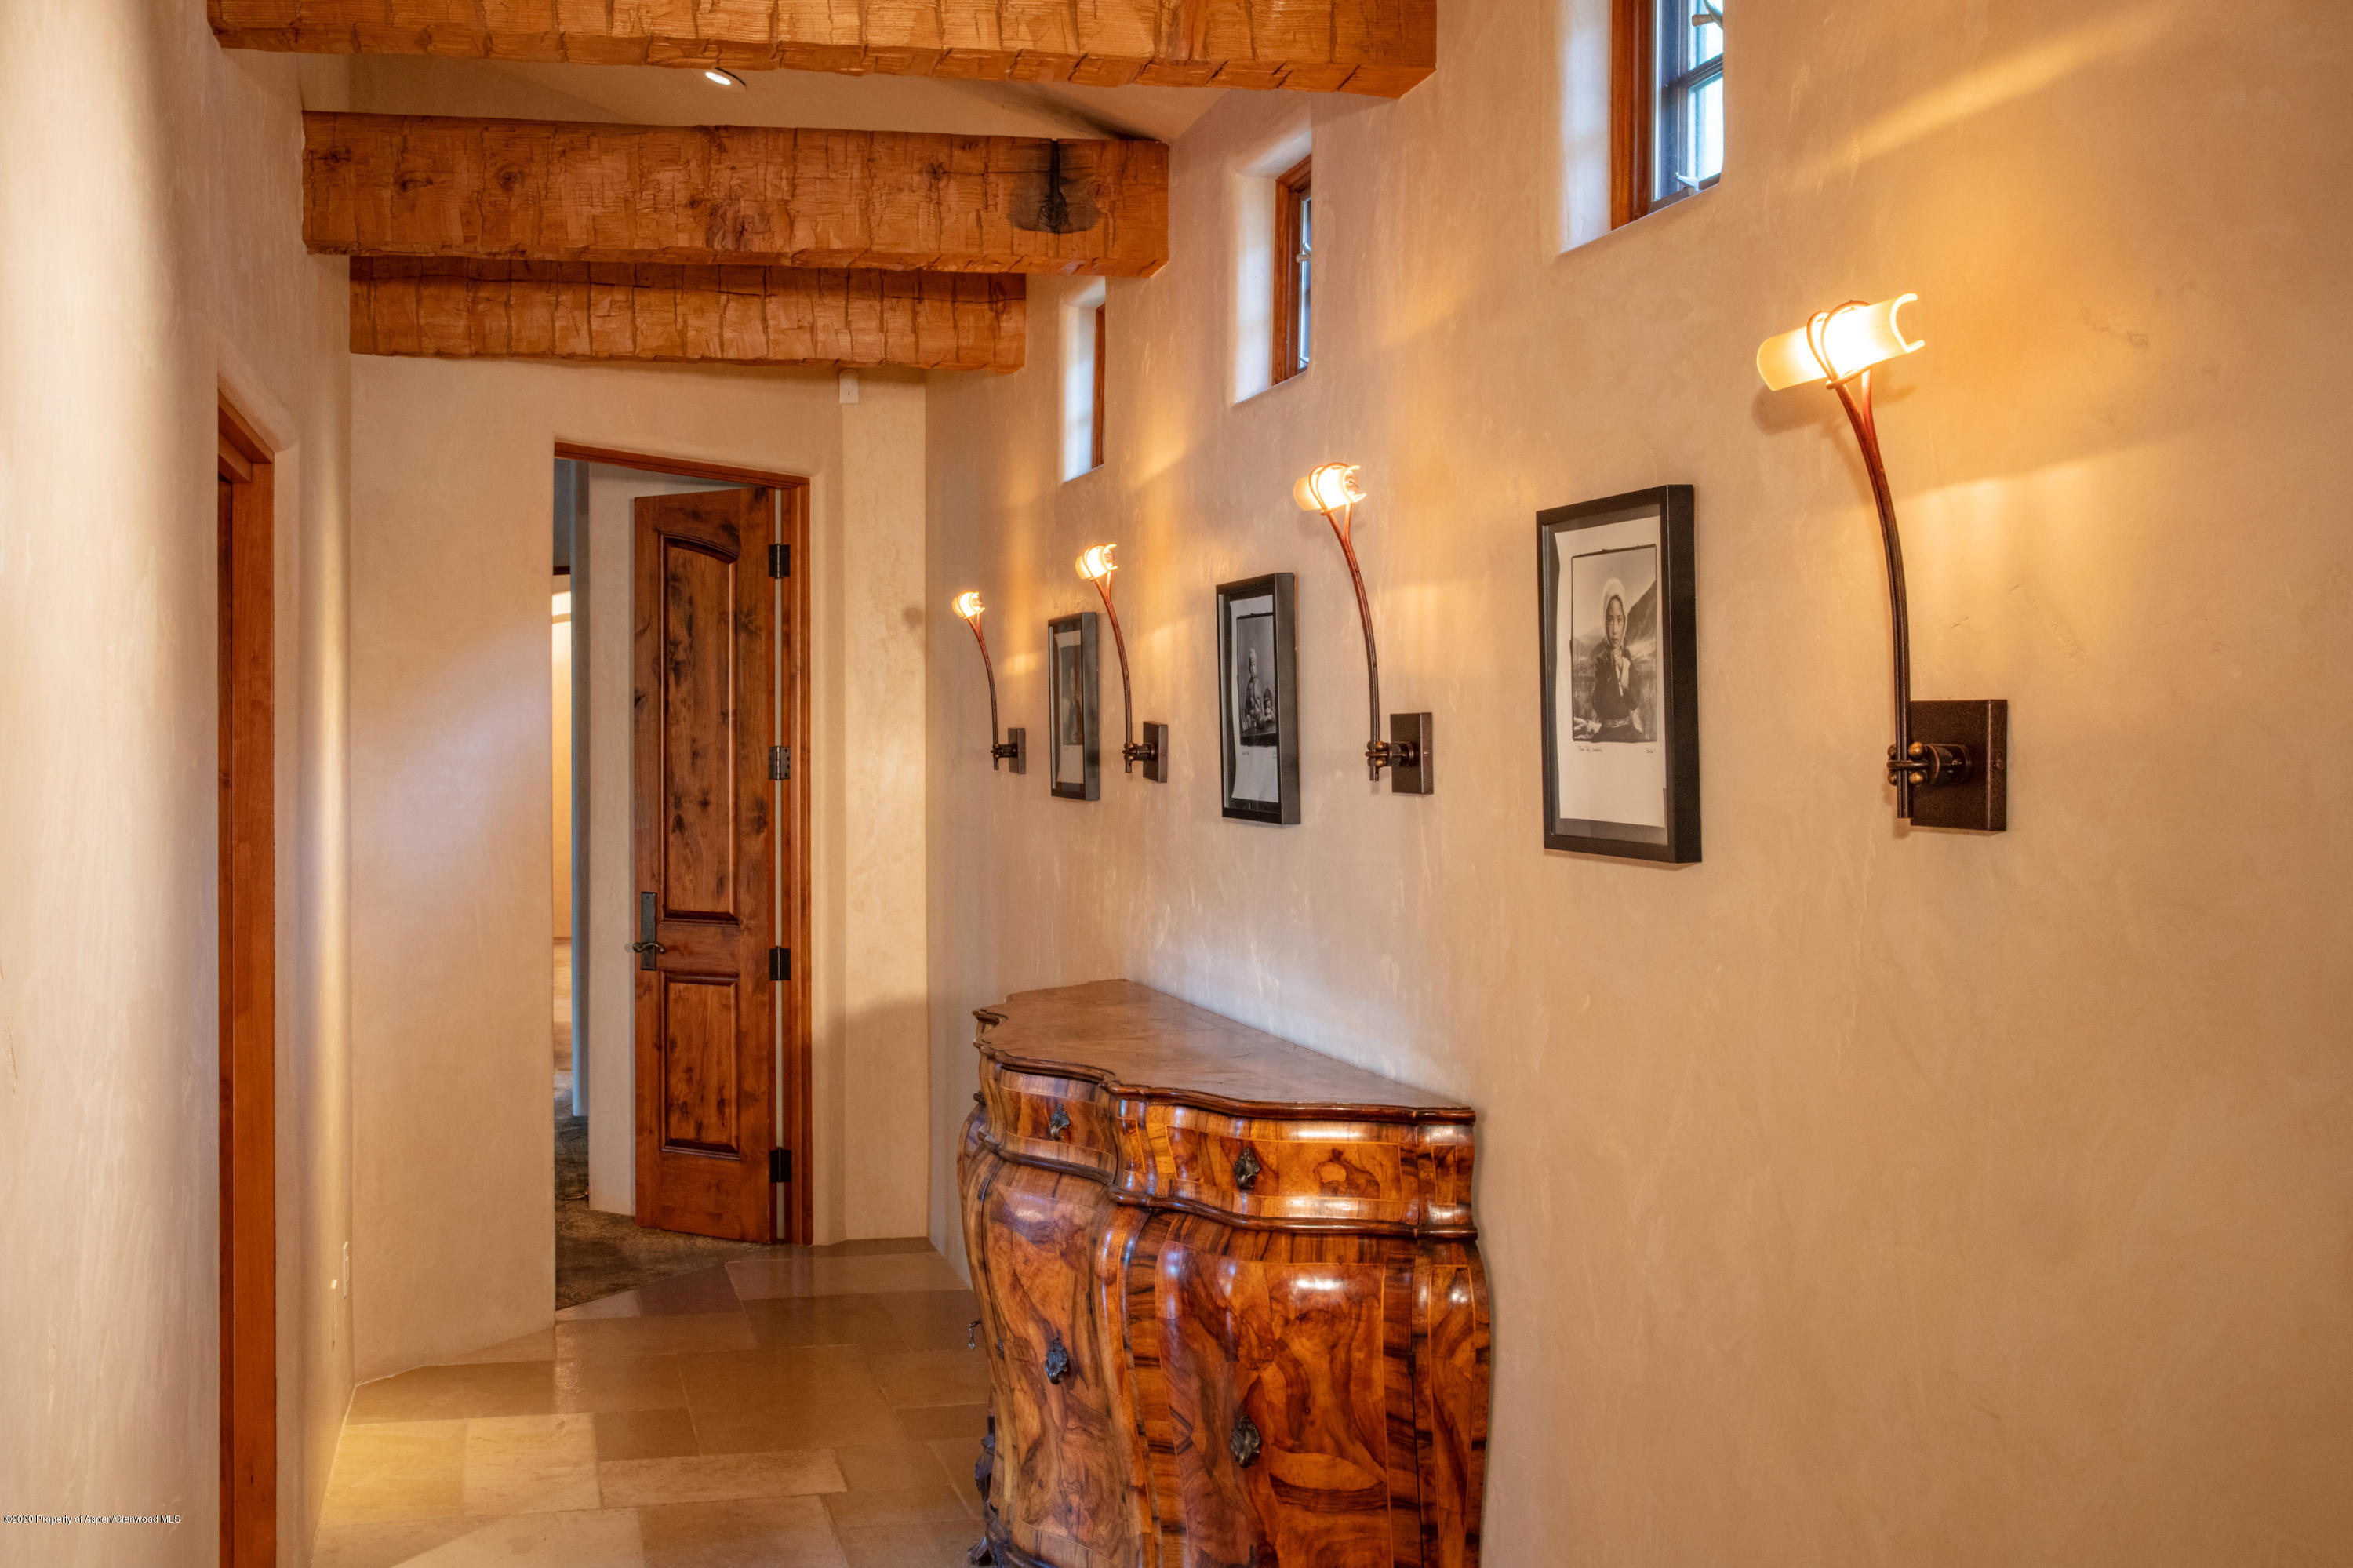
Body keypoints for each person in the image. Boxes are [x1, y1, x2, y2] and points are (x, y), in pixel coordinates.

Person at [1577, 583, 1646, 741]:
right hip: (1608, 733)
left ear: (1625, 622)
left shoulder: (1627, 656)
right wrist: (1612, 672)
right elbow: (1599, 706)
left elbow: (1634, 703)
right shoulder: (1602, 660)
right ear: (1604, 622)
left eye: (1619, 620)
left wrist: (1624, 671)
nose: (1615, 629)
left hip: (1628, 731)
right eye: (1610, 620)